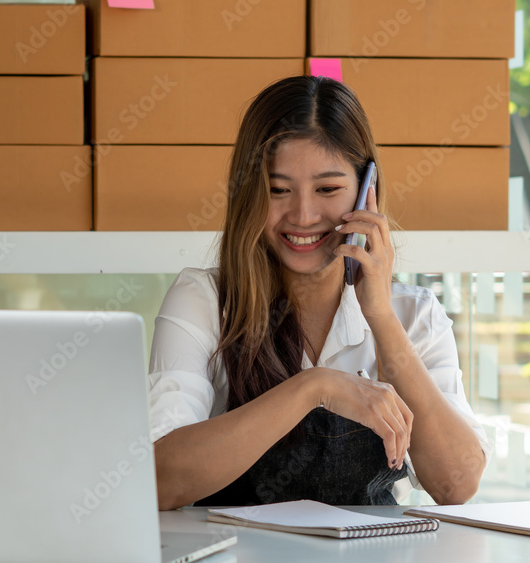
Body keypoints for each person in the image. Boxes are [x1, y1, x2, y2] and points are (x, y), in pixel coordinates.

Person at [148, 76, 492, 511]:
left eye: (328, 189)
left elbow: (456, 484)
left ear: (367, 192)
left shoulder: (412, 313)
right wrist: (314, 388)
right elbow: (162, 482)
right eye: (277, 190)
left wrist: (382, 318)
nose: (304, 215)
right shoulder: (203, 300)